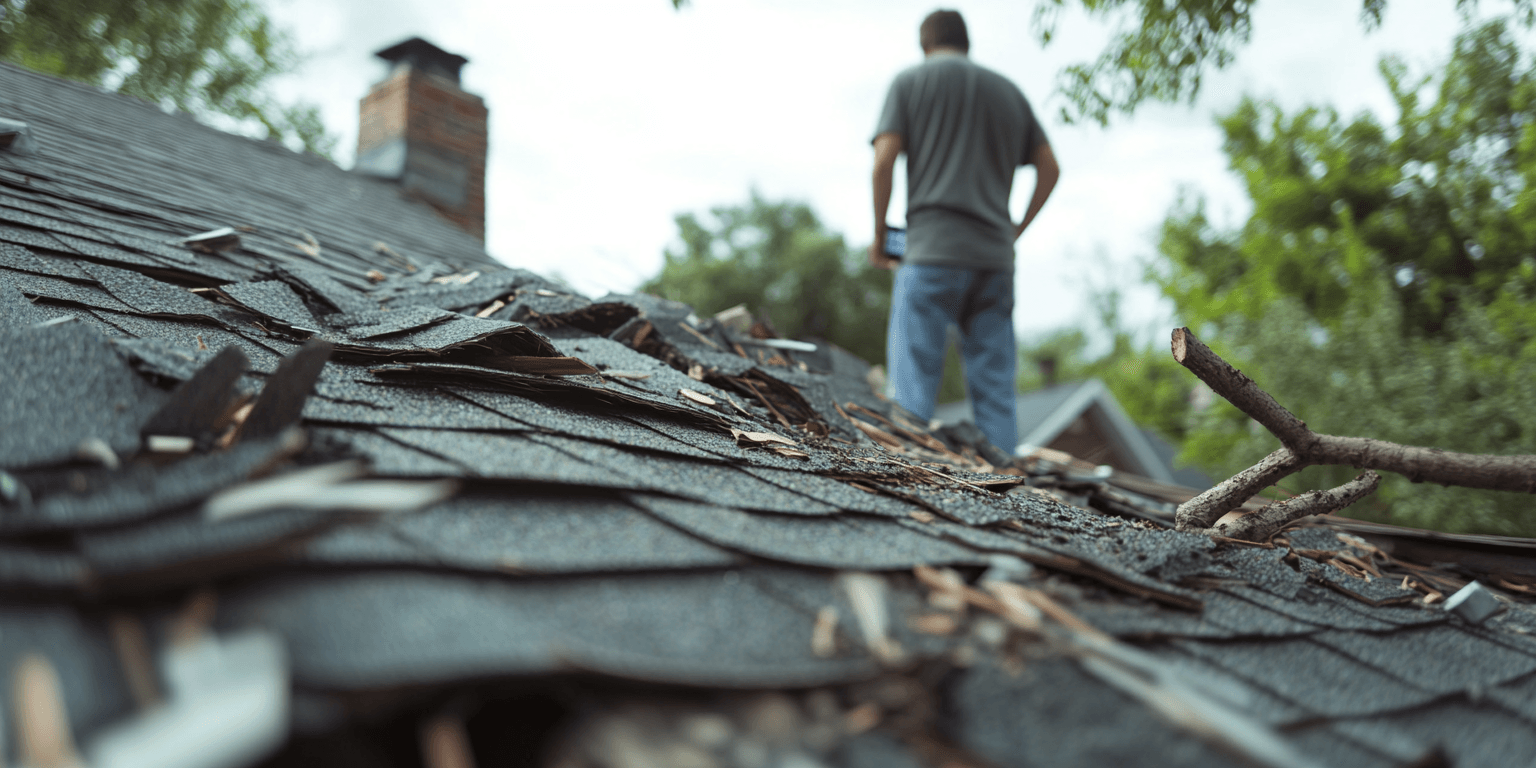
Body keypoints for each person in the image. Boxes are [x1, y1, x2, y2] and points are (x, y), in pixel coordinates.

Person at [869, 8, 1059, 455]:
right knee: (995, 388)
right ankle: (1007, 485)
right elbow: (1050, 167)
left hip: (931, 250)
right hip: (994, 258)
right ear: (966, 41)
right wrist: (1016, 228)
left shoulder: (909, 82)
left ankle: (909, 478)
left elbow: (883, 161)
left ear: (924, 44)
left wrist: (880, 234)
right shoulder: (1009, 92)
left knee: (914, 382)